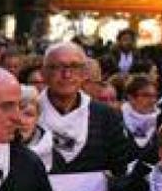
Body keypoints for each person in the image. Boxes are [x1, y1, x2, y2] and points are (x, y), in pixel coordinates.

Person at [38, 42, 134, 175]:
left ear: (84, 74)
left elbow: (120, 169)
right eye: (57, 67)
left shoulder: (106, 116)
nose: (67, 74)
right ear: (44, 73)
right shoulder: (27, 113)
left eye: (75, 67)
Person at [17, 85, 58, 170]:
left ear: (38, 117)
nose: (21, 120)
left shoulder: (56, 150)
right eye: (16, 114)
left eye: (28, 114)